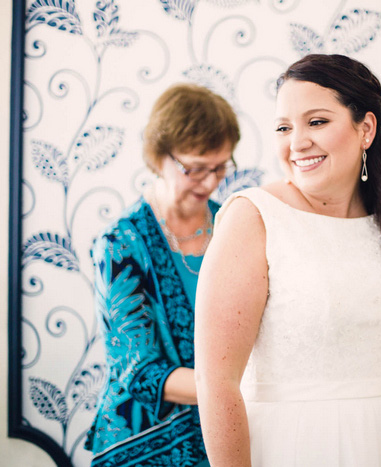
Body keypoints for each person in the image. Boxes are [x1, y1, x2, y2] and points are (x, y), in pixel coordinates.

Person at [194, 54, 381, 466]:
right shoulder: (253, 218)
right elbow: (216, 381)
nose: (296, 142)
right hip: (292, 446)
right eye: (283, 127)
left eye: (316, 122)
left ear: (365, 129)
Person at [85, 83, 240, 467]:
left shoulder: (236, 227)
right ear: (159, 156)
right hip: (145, 443)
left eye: (221, 166)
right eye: (195, 168)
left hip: (224, 431)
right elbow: (140, 372)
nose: (210, 182)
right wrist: (234, 389)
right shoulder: (121, 243)